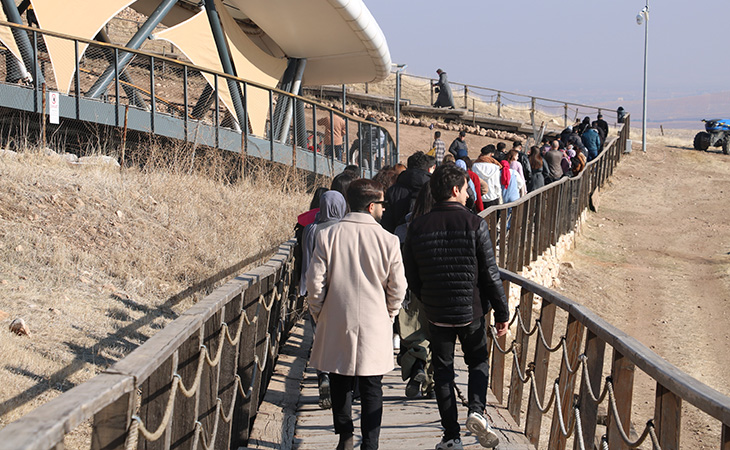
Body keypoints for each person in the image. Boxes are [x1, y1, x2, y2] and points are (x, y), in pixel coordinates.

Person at [403, 165, 509, 450]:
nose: (467, 194)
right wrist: (501, 313)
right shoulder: (475, 224)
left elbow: (411, 275)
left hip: (436, 312)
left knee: (443, 371)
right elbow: (489, 273)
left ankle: (451, 437)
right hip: (471, 310)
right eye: (465, 189)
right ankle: (476, 409)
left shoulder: (417, 226)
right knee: (477, 362)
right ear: (454, 190)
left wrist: (427, 298)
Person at [306, 179, 407, 450]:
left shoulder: (328, 235)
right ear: (371, 206)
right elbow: (398, 286)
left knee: (339, 380)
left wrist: (320, 313)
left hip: (337, 316)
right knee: (373, 386)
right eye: (382, 205)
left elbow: (314, 283)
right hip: (375, 320)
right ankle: (370, 444)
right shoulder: (389, 240)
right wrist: (390, 314)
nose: (385, 210)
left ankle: (345, 434)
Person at [300, 190, 348, 409]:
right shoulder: (346, 231)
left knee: (320, 336)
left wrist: (304, 289)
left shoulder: (311, 230)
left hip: (317, 291)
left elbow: (307, 262)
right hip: (341, 292)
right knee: (341, 337)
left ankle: (323, 376)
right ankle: (343, 382)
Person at [382, 151, 435, 233]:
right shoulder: (434, 190)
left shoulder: (392, 191)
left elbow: (387, 222)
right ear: (428, 169)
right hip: (428, 238)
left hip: (397, 239)